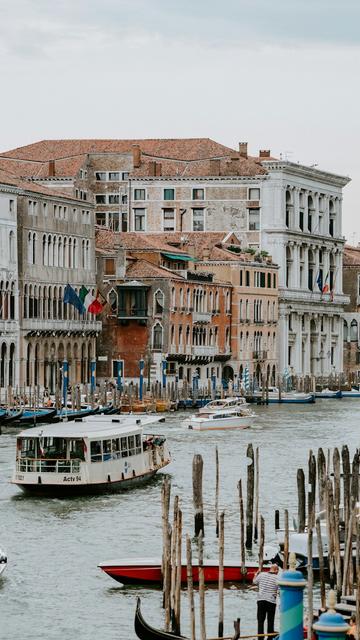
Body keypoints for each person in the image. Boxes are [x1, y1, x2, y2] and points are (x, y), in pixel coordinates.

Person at [253, 564, 279, 637]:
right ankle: (270, 637)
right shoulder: (277, 578)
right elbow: (280, 591)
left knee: (260, 621)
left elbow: (254, 582)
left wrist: (255, 574)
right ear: (276, 570)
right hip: (271, 601)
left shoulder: (261, 574)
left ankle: (260, 637)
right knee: (270, 621)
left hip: (261, 600)